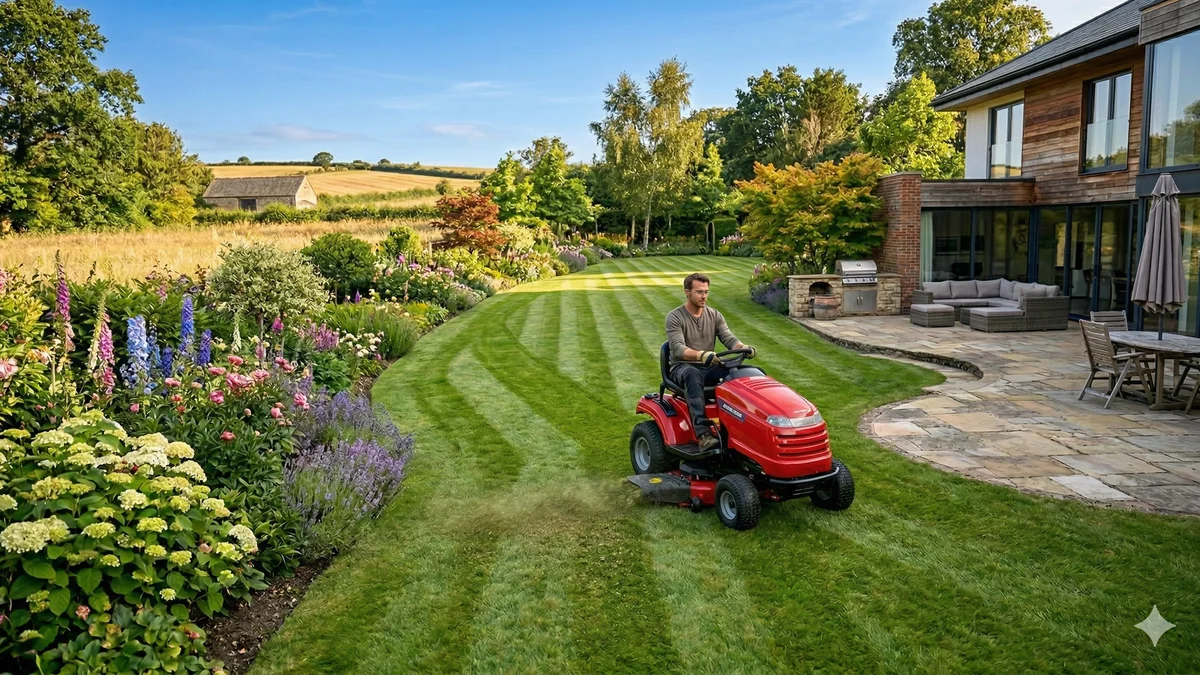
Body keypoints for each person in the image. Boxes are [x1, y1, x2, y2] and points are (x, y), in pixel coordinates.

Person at [665, 272, 755, 451]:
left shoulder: (714, 315)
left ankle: (746, 425)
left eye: (706, 292)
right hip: (682, 367)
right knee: (692, 375)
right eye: (699, 292)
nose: (704, 296)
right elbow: (678, 349)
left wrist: (743, 347)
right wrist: (701, 355)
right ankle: (704, 435)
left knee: (747, 372)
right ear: (687, 292)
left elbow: (729, 338)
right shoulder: (675, 317)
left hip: (708, 365)